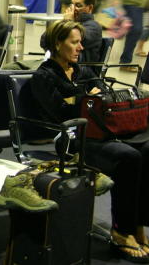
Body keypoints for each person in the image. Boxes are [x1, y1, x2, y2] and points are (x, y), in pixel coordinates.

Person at [32, 20, 149, 263]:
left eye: (80, 42)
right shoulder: (43, 75)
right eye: (74, 42)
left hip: (98, 132)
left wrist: (82, 100)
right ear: (57, 43)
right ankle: (120, 230)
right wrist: (86, 99)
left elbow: (105, 98)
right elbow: (60, 113)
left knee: (147, 150)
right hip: (69, 137)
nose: (80, 48)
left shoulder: (82, 70)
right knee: (129, 157)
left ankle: (137, 223)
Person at [41, 0, 102, 64]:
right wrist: (64, 23)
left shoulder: (94, 27)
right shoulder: (69, 22)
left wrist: (67, 22)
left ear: (90, 8)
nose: (73, 9)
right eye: (72, 5)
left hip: (82, 69)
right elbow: (44, 40)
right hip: (61, 66)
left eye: (78, 5)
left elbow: (72, 40)